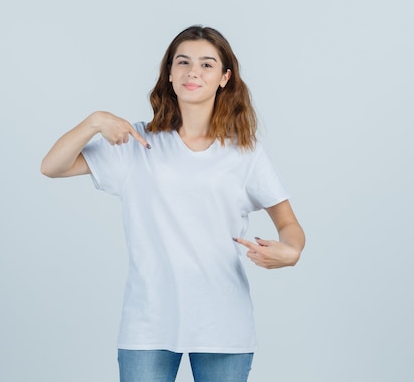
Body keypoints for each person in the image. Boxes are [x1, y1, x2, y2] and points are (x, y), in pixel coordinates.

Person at [40, 25, 305, 382]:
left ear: (225, 78)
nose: (193, 71)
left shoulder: (245, 151)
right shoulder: (137, 144)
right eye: (183, 62)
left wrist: (291, 252)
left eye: (207, 64)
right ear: (169, 73)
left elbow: (289, 225)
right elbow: (52, 167)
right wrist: (95, 121)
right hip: (148, 324)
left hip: (223, 323)